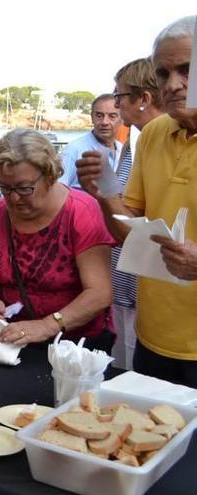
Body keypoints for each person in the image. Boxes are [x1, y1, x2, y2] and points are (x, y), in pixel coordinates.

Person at [76, 15, 197, 386]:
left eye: (187, 70)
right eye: (163, 74)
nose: (174, 85)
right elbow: (131, 232)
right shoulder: (153, 134)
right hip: (154, 337)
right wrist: (104, 194)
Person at [0, 129, 115, 351]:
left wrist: (48, 325)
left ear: (50, 176)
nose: (14, 198)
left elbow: (100, 293)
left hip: (76, 347)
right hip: (13, 343)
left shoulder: (81, 211)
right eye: (5, 188)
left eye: (24, 188)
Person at [107, 58, 166, 370]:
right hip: (130, 281)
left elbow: (130, 220)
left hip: (151, 288)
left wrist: (104, 192)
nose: (116, 107)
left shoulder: (146, 142)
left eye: (119, 97)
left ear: (143, 99)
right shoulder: (136, 142)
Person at [59, 94, 122, 188]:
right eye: (99, 116)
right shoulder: (73, 150)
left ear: (122, 119)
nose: (104, 122)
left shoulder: (123, 150)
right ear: (92, 117)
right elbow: (59, 189)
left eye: (112, 116)